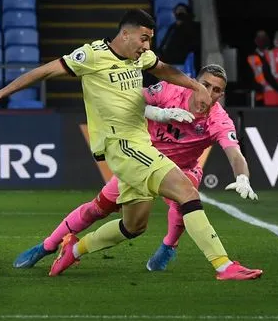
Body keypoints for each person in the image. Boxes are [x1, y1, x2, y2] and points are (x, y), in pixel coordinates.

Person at [0, 9, 262, 281]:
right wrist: (1, 93)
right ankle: (223, 265)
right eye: (144, 38)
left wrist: (195, 86)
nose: (147, 46)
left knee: (134, 226)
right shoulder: (91, 55)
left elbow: (163, 69)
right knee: (186, 192)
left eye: (150, 40)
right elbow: (45, 71)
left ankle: (73, 249)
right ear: (125, 34)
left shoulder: (141, 59)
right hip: (123, 146)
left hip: (141, 146)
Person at [13, 64, 258, 272]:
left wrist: (242, 177)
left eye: (217, 90)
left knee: (187, 200)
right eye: (205, 85)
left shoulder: (219, 120)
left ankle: (172, 247)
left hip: (182, 168)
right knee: (102, 211)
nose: (210, 93)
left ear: (221, 95)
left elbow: (235, 154)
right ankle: (47, 246)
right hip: (142, 161)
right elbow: (128, 101)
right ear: (194, 83)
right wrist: (159, 113)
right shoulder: (169, 90)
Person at [245, 30, 270, 106]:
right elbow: (247, 77)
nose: (262, 40)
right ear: (256, 40)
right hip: (257, 96)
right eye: (260, 38)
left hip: (273, 95)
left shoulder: (273, 55)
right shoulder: (251, 57)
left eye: (264, 38)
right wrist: (258, 88)